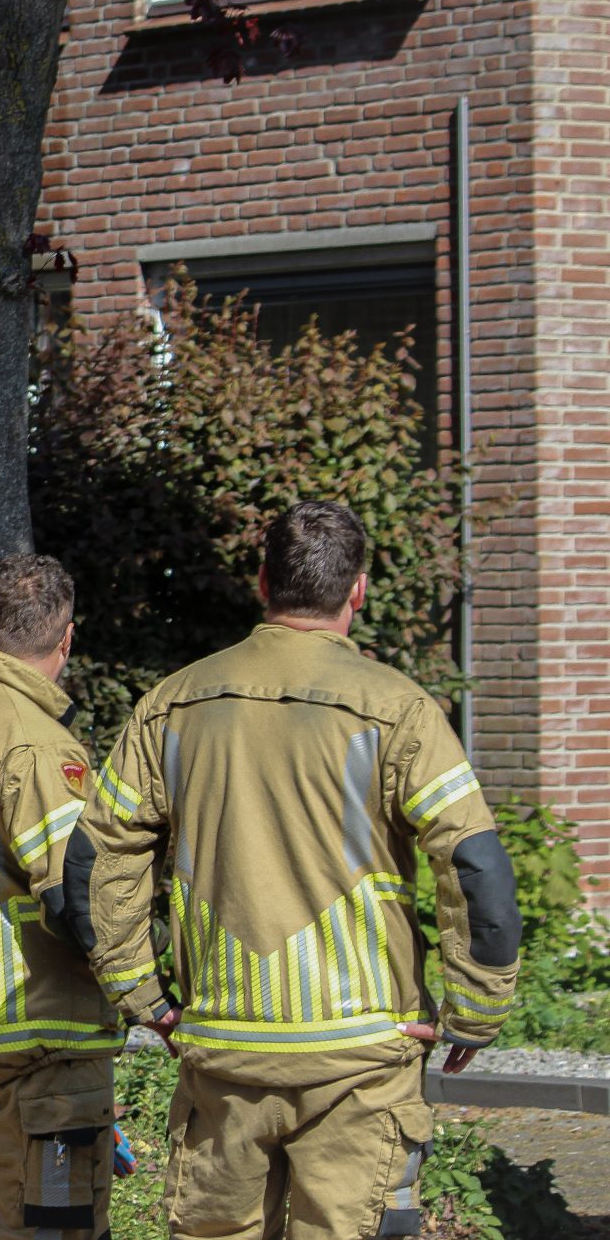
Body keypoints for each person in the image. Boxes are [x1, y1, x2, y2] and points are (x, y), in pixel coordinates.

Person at [64, 501, 521, 1240]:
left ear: (262, 581)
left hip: (223, 1051)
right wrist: (476, 1005)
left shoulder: (171, 705)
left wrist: (140, 991)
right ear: (359, 590)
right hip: (362, 1057)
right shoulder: (399, 709)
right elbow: (473, 867)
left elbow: (98, 855)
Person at [0, 554, 123, 1240]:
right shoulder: (39, 746)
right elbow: (79, 896)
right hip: (43, 1044)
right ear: (66, 639)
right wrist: (146, 993)